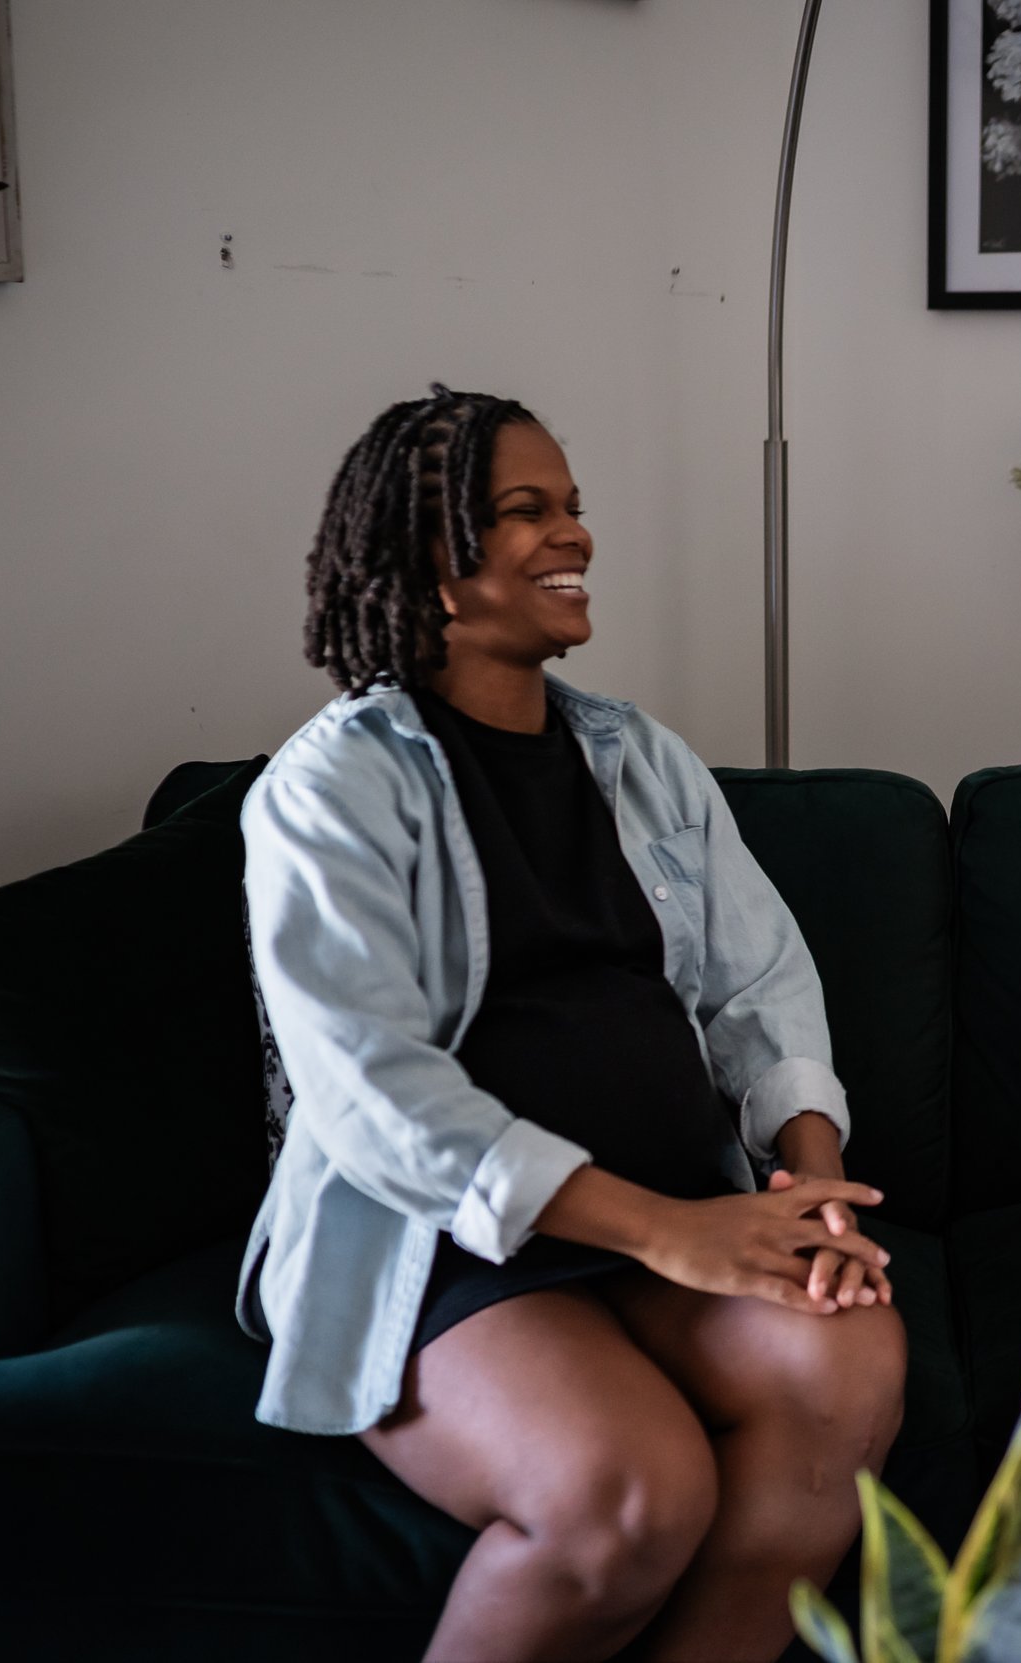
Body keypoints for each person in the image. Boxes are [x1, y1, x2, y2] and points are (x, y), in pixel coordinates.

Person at [234, 385, 905, 1663]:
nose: (574, 538)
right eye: (525, 512)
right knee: (631, 1490)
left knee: (848, 1364)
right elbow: (370, 1088)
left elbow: (760, 985)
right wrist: (672, 1234)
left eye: (574, 508)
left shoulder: (640, 758)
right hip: (440, 1247)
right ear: (429, 556)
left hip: (674, 1211)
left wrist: (810, 1181)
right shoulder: (329, 788)